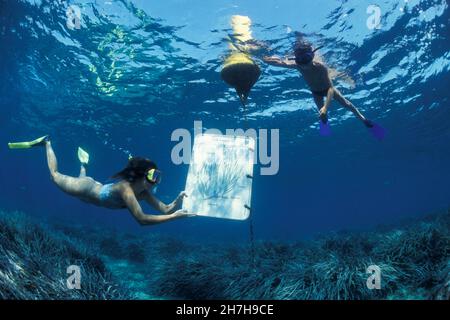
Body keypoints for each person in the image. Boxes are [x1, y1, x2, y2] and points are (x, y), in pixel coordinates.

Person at [9, 135, 194, 226]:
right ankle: (46, 142)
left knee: (83, 183)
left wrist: (177, 201)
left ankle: (83, 164)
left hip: (92, 191)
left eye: (158, 176)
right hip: (86, 188)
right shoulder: (126, 190)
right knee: (54, 176)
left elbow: (165, 208)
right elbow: (142, 220)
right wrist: (173, 217)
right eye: (153, 176)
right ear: (139, 175)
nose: (156, 181)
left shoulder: (144, 193)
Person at [263, 41, 374, 128]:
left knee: (347, 104)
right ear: (296, 60)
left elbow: (330, 88)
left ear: (312, 56)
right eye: (300, 60)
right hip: (316, 93)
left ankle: (363, 119)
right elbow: (280, 63)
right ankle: (325, 127)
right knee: (322, 116)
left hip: (329, 90)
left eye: (306, 58)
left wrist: (326, 107)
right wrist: (267, 59)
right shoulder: (298, 66)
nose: (304, 63)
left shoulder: (321, 67)